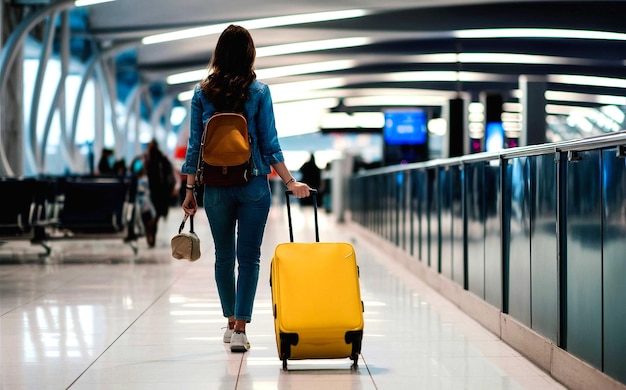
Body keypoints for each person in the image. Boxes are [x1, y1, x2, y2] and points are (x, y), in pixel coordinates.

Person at [180, 25, 311, 353]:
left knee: (223, 257)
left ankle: (229, 322)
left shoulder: (201, 93)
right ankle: (241, 327)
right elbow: (270, 144)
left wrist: (190, 189)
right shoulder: (259, 91)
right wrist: (290, 181)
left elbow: (195, 145)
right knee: (249, 258)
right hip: (253, 183)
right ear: (249, 53)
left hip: (216, 186)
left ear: (218, 53)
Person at [144, 139, 176, 247]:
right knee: (156, 216)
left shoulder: (148, 159)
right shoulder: (162, 159)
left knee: (152, 216)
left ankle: (150, 234)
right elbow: (169, 174)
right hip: (161, 192)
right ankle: (151, 235)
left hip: (150, 192)